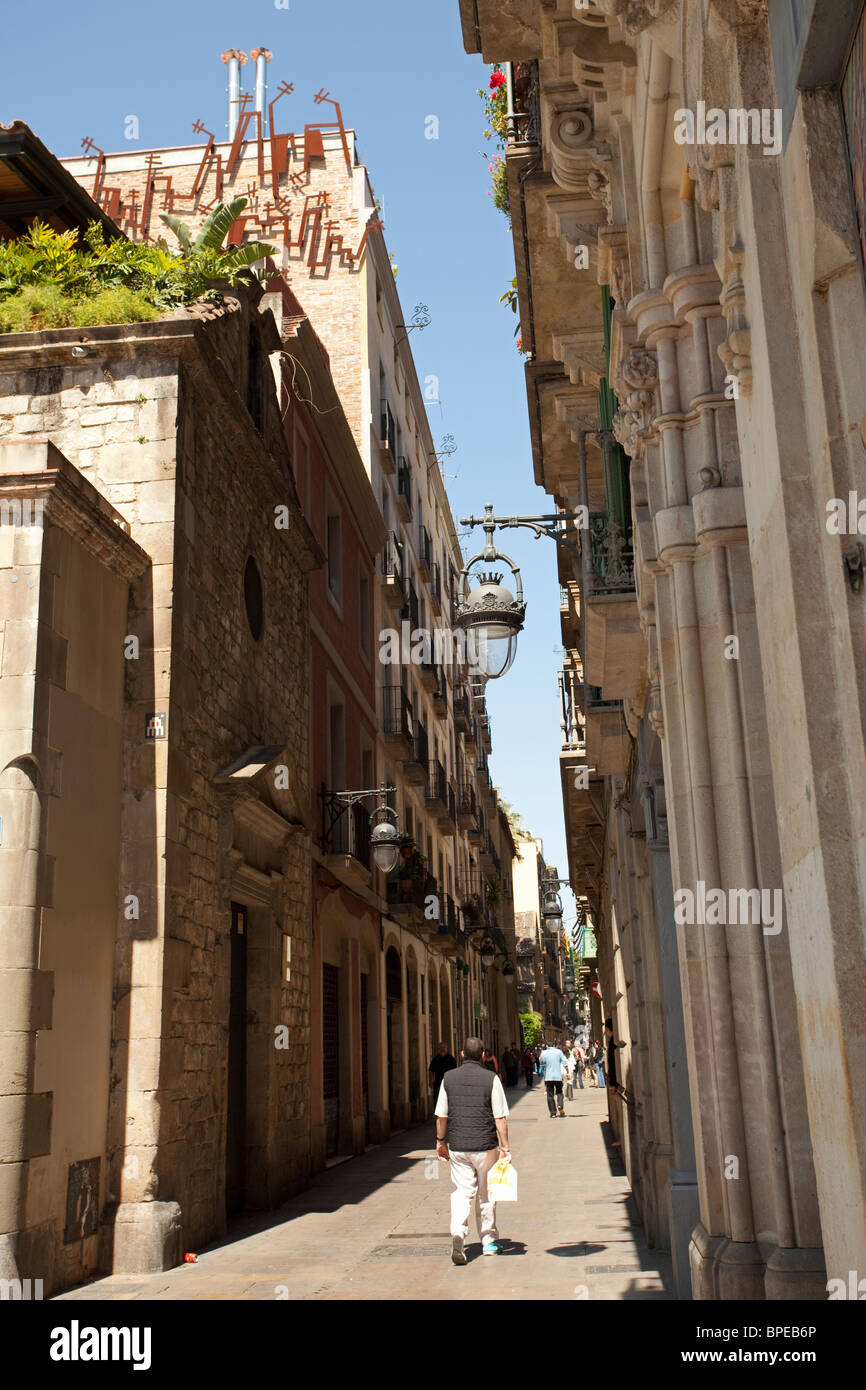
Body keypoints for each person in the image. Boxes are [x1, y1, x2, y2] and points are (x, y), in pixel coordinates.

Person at [435, 1036, 510, 1264]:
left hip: (458, 1146)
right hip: (486, 1146)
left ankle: (458, 1231)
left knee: (462, 1192)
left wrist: (440, 1142)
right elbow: (500, 1118)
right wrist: (505, 1147)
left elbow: (441, 1115)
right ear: (484, 1055)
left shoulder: (448, 1078)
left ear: (461, 1055)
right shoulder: (491, 1079)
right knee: (486, 1194)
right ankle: (488, 1241)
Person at [538, 1039, 570, 1117]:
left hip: (548, 1077)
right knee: (559, 1092)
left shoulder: (544, 1053)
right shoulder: (559, 1052)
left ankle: (553, 1113)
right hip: (557, 1076)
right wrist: (568, 1072)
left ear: (547, 1046)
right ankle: (559, 1105)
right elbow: (565, 1063)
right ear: (553, 1045)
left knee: (550, 1094)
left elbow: (541, 1062)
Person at [428, 1041, 457, 1110]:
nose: (442, 1049)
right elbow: (431, 1071)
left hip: (449, 1084)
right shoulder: (436, 1059)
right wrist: (430, 1081)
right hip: (438, 1083)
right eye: (441, 1048)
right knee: (437, 1100)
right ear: (438, 1049)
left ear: (446, 1049)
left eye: (444, 1048)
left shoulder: (451, 1059)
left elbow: (455, 1071)